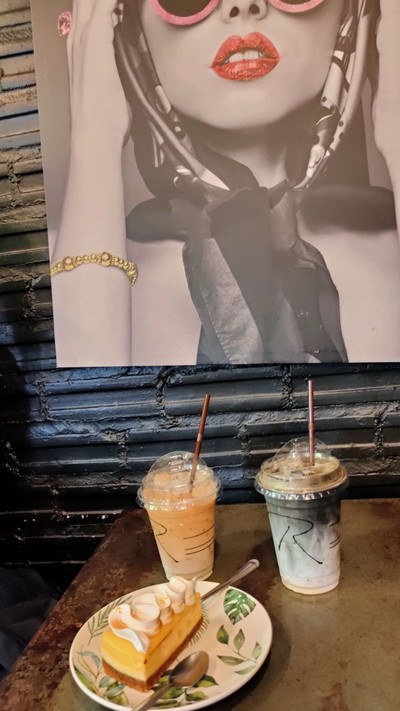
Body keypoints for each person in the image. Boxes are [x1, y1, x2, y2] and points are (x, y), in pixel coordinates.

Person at [50, 0, 400, 366]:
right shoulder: (64, 268)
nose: (241, 5)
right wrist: (94, 142)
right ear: (127, 17)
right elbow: (79, 400)